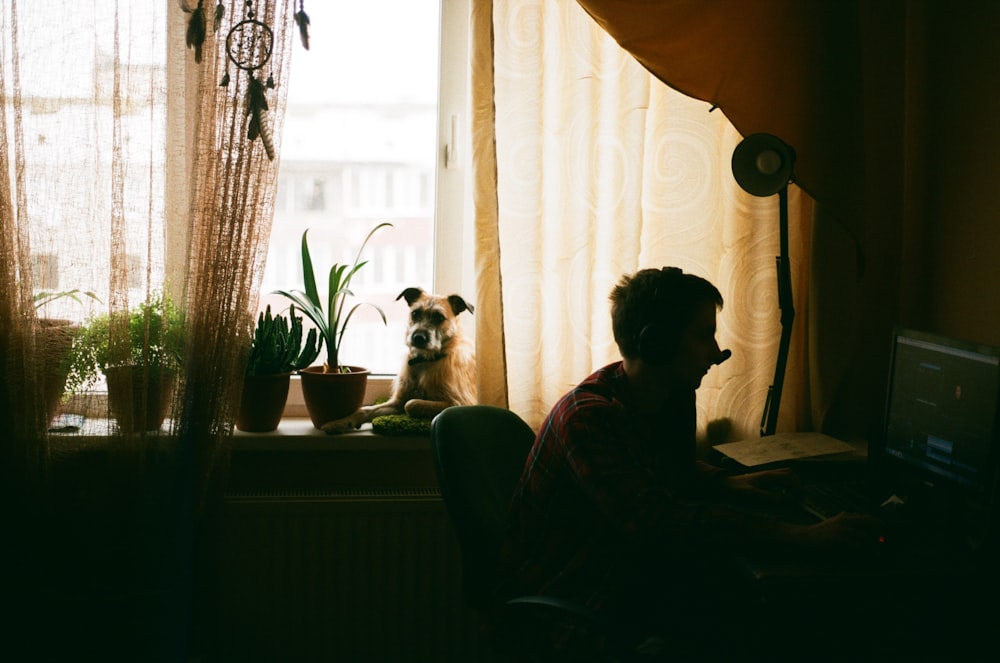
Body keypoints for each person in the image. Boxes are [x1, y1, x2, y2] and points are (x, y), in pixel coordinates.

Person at [493, 266, 882, 659]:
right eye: (703, 336)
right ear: (657, 344)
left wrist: (725, 482)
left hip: (626, 576)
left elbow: (657, 470)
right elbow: (658, 522)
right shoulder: (589, 419)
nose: (716, 354)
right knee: (775, 624)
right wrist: (802, 536)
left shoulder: (657, 394)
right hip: (573, 604)